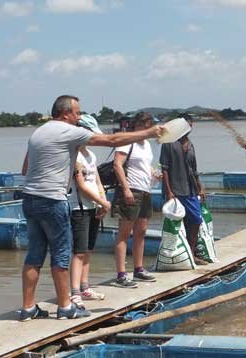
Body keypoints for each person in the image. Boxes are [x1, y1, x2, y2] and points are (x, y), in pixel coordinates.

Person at [19, 95, 163, 321]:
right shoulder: (68, 131)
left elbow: (25, 169)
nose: (79, 117)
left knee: (35, 255)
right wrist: (149, 133)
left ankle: (28, 309)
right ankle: (66, 307)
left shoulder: (38, 132)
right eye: (77, 113)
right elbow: (113, 140)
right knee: (61, 255)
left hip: (29, 198)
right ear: (66, 113)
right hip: (53, 200)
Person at [111, 112, 158, 288]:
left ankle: (138, 268)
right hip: (131, 190)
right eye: (145, 126)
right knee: (124, 232)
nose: (147, 130)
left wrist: (153, 173)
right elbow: (117, 164)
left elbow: (144, 165)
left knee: (141, 231)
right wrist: (126, 189)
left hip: (146, 190)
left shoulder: (146, 144)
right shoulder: (127, 140)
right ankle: (121, 274)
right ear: (137, 125)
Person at [69, 115, 110, 309]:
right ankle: (75, 292)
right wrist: (101, 201)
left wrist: (103, 201)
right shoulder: (74, 156)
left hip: (94, 206)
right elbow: (81, 186)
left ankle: (85, 286)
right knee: (79, 251)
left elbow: (97, 180)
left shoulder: (90, 155)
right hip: (79, 208)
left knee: (89, 249)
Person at [159, 113, 208, 266]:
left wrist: (200, 187)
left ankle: (191, 254)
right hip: (175, 190)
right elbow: (164, 169)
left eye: (191, 123)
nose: (190, 126)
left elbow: (194, 169)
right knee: (175, 226)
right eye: (187, 123)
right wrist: (169, 191)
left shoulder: (190, 144)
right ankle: (175, 257)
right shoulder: (168, 143)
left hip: (191, 189)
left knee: (195, 221)